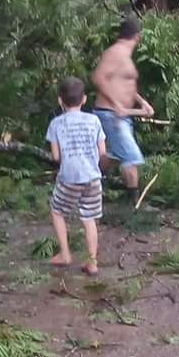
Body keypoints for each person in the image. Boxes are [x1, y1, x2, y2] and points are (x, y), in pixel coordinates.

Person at [46, 76, 105, 275]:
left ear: (60, 100)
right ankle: (92, 262)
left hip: (69, 178)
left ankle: (65, 254)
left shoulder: (56, 124)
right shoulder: (94, 121)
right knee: (89, 219)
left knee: (57, 211)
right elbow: (102, 151)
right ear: (84, 99)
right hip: (93, 177)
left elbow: (56, 157)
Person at [92, 17, 154, 205]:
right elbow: (98, 77)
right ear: (137, 36)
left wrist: (142, 103)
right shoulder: (116, 53)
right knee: (131, 157)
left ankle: (90, 181)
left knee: (113, 156)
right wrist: (116, 104)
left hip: (122, 115)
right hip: (111, 114)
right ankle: (134, 205)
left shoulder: (124, 56)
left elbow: (125, 85)